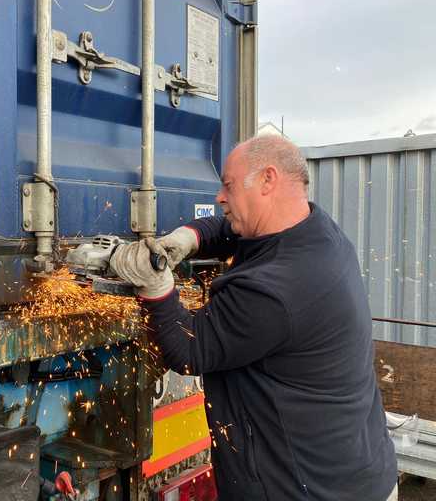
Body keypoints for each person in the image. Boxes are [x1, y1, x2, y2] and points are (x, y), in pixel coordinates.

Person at [110, 135, 398, 501]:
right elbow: (230, 231)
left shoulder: (277, 290)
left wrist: (156, 286)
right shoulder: (316, 230)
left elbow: (188, 348)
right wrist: (187, 238)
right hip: (358, 472)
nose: (219, 197)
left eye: (228, 185)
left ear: (267, 180)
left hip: (314, 491)